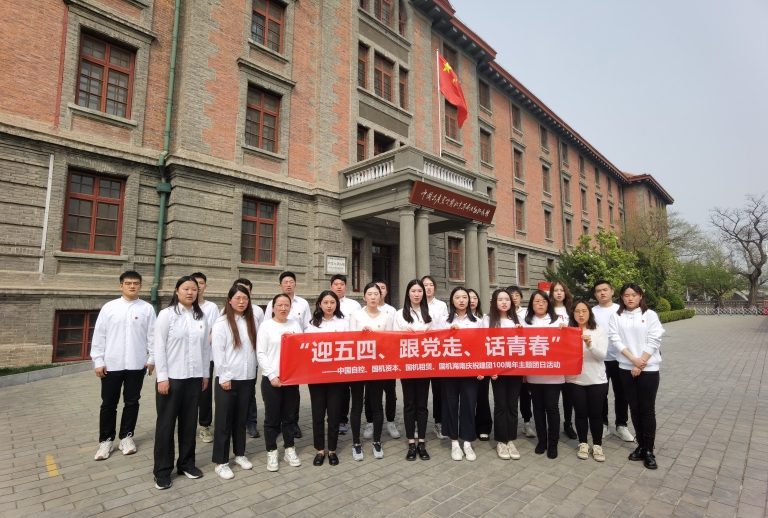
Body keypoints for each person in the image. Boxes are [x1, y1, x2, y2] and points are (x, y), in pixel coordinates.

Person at [153, 276, 211, 489]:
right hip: (172, 378)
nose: (190, 292)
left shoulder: (200, 316)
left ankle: (186, 464)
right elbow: (159, 346)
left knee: (189, 424)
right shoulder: (167, 315)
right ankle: (162, 470)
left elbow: (205, 348)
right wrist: (162, 377)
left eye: (194, 289)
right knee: (166, 425)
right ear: (177, 291)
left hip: (194, 378)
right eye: (186, 288)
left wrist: (205, 374)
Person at [91, 271, 156, 461]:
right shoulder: (110, 307)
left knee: (132, 401)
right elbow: (99, 335)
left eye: (136, 283)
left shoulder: (146, 309)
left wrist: (152, 359)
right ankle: (106, 440)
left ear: (141, 286)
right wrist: (98, 361)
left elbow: (153, 336)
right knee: (108, 404)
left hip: (136, 364)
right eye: (128, 283)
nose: (132, 286)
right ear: (121, 286)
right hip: (112, 364)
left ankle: (126, 437)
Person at [609, 283, 663, 470]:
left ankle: (649, 450)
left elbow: (654, 339)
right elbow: (615, 339)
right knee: (634, 407)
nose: (630, 298)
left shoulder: (650, 315)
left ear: (640, 296)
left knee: (647, 409)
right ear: (621, 297)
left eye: (634, 294)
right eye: (626, 295)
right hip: (626, 367)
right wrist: (633, 360)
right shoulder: (617, 316)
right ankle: (640, 445)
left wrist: (641, 362)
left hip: (649, 368)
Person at [210, 285, 258, 479]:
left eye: (245, 298)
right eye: (238, 298)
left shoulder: (251, 321)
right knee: (224, 422)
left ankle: (239, 454)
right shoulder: (222, 323)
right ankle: (220, 462)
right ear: (230, 300)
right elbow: (218, 351)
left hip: (247, 377)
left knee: (241, 420)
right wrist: (224, 376)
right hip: (228, 379)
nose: (241, 302)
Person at [257, 293, 303, 472]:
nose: (283, 308)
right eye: (280, 305)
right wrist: (271, 376)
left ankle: (289, 448)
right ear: (273, 307)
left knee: (289, 417)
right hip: (272, 379)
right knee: (272, 418)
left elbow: (300, 350)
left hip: (290, 379)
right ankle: (272, 450)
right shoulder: (266, 326)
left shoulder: (295, 325)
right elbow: (261, 353)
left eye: (286, 305)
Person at [264, 272, 312, 439]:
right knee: (274, 396)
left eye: (291, 281)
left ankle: (293, 423)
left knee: (293, 394)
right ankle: (276, 424)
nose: (289, 284)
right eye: (285, 282)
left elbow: (307, 327)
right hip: (275, 356)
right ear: (280, 285)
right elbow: (266, 326)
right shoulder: (272, 303)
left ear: (295, 284)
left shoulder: (303, 303)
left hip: (294, 358)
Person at [349, 282, 393, 460]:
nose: (373, 297)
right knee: (356, 406)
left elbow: (390, 341)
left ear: (380, 296)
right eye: (370, 294)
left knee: (376, 404)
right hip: (358, 365)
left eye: (376, 294)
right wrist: (362, 333)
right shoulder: (356, 315)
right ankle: (356, 443)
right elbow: (350, 339)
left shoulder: (387, 316)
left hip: (377, 366)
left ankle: (377, 441)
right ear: (364, 297)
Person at [305, 291, 349, 466]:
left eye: (332, 302)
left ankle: (332, 450)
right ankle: (319, 450)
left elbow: (349, 346)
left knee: (334, 413)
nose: (329, 305)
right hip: (316, 375)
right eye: (326, 302)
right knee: (317, 414)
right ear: (319, 304)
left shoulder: (344, 323)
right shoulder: (311, 325)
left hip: (336, 375)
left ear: (337, 304)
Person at [440, 287, 483, 462]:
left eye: (464, 297)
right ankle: (454, 443)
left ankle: (467, 442)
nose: (462, 300)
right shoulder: (444, 321)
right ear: (452, 300)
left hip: (470, 370)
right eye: (457, 297)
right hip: (450, 369)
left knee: (469, 404)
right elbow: (437, 344)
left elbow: (482, 346)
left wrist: (481, 368)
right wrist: (449, 334)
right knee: (450, 404)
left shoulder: (477, 321)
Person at [394, 279, 434, 461]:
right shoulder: (399, 314)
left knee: (422, 404)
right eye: (413, 291)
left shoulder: (430, 313)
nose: (417, 294)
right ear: (408, 293)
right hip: (407, 365)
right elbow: (393, 339)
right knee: (409, 404)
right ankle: (411, 443)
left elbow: (438, 338)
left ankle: (422, 443)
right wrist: (404, 334)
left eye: (420, 291)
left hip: (425, 365)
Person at [483, 289, 524, 460]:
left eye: (507, 299)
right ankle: (501, 440)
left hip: (515, 368)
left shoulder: (517, 319)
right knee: (500, 404)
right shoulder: (488, 320)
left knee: (512, 405)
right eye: (500, 299)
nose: (504, 302)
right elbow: (483, 344)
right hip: (497, 369)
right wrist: (490, 368)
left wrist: (521, 331)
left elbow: (525, 344)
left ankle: (510, 439)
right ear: (494, 302)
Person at [566, 301, 609, 462]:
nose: (581, 314)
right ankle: (583, 443)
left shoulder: (598, 330)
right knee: (580, 413)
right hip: (575, 380)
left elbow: (602, 356)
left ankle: (597, 445)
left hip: (596, 380)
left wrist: (590, 344)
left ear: (589, 313)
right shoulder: (568, 331)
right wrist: (561, 333)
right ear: (573, 313)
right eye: (577, 311)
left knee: (596, 414)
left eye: (584, 311)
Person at [522, 290, 563, 459]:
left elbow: (566, 345)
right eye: (537, 301)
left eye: (544, 301)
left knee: (552, 408)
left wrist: (565, 330)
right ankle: (542, 440)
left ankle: (553, 443)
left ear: (549, 304)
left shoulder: (558, 321)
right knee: (537, 408)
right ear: (531, 304)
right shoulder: (525, 322)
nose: (540, 304)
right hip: (534, 373)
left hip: (554, 374)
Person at [592, 280, 634, 442]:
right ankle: (603, 424)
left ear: (612, 292)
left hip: (620, 358)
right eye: (598, 291)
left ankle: (621, 425)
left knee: (622, 393)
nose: (602, 293)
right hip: (599, 358)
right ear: (595, 294)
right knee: (601, 393)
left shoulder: (621, 310)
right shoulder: (591, 312)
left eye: (605, 289)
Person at [364, 278, 400, 441]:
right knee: (369, 393)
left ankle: (391, 421)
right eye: (371, 291)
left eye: (380, 289)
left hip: (387, 359)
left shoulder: (391, 311)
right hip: (368, 359)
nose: (375, 294)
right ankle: (370, 422)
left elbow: (392, 335)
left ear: (383, 293)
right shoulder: (361, 312)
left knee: (390, 391)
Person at [232, 278, 265, 439]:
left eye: (246, 291)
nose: (242, 296)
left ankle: (251, 423)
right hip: (233, 360)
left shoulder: (257, 311)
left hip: (251, 358)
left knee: (249, 393)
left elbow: (262, 334)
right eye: (239, 291)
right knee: (232, 393)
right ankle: (234, 423)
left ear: (250, 293)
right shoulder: (225, 312)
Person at [190, 272, 219, 444]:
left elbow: (215, 330)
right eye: (195, 283)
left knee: (205, 392)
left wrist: (202, 347)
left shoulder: (211, 307)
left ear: (205, 286)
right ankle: (187, 423)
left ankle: (205, 425)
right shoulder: (183, 307)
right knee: (188, 390)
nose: (198, 286)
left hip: (206, 356)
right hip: (186, 357)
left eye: (201, 283)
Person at [330, 274, 361, 436]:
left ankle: (342, 420)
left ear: (346, 287)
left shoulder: (354, 305)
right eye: (336, 284)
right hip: (331, 353)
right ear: (331, 287)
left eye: (342, 284)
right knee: (334, 387)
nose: (339, 287)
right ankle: (332, 418)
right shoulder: (326, 302)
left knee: (345, 388)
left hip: (350, 351)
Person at [549, 281, 577, 440]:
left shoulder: (571, 309)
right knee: (552, 394)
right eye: (556, 290)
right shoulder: (547, 309)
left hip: (568, 356)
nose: (559, 293)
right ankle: (552, 425)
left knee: (568, 393)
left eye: (562, 290)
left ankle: (568, 423)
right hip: (552, 355)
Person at [422, 275, 448, 440]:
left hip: (437, 352)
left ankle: (439, 422)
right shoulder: (416, 305)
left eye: (431, 284)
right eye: (425, 285)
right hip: (421, 353)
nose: (428, 287)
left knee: (439, 391)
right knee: (421, 392)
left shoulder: (441, 305)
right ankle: (419, 424)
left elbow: (445, 326)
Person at [508, 285, 535, 438]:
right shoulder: (502, 314)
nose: (514, 298)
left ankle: (527, 422)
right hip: (507, 360)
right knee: (510, 395)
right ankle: (509, 423)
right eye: (511, 295)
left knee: (525, 394)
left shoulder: (527, 314)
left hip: (523, 359)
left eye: (517, 295)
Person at [468, 288, 492, 442]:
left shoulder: (486, 319)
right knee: (468, 397)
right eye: (468, 297)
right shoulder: (456, 320)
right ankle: (468, 427)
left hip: (483, 362)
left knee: (482, 396)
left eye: (474, 298)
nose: (471, 301)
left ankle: (483, 427)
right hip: (466, 363)